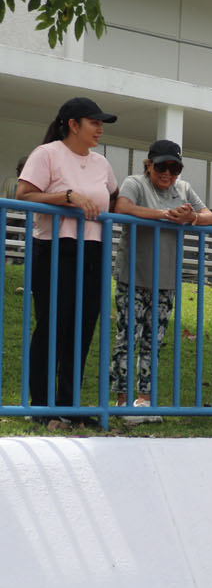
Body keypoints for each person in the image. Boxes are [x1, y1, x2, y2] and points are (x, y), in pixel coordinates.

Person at [16, 96, 120, 427]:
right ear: (72, 124)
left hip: (93, 250)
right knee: (52, 325)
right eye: (94, 122)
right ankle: (42, 407)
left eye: (101, 123)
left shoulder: (102, 163)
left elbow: (114, 200)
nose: (99, 129)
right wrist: (65, 197)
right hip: (54, 247)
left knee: (83, 327)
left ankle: (69, 404)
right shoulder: (47, 154)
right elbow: (23, 194)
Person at [111, 139, 212, 422]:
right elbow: (122, 208)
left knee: (153, 342)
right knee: (127, 339)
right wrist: (166, 216)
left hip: (166, 280)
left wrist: (191, 217)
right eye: (162, 166)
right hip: (132, 276)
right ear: (149, 165)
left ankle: (144, 401)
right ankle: (121, 402)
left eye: (175, 167)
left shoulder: (182, 189)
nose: (168, 173)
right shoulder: (134, 183)